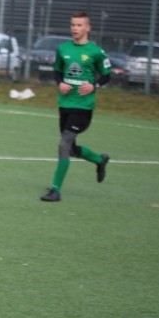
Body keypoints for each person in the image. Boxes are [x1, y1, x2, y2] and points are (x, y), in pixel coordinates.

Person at [41, 11, 111, 202]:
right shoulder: (63, 49)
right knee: (71, 149)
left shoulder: (95, 52)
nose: (75, 28)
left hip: (83, 107)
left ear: (88, 28)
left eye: (79, 25)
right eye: (73, 25)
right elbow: (57, 72)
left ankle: (55, 190)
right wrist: (60, 83)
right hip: (65, 104)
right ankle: (99, 160)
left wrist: (94, 85)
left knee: (63, 143)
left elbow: (106, 75)